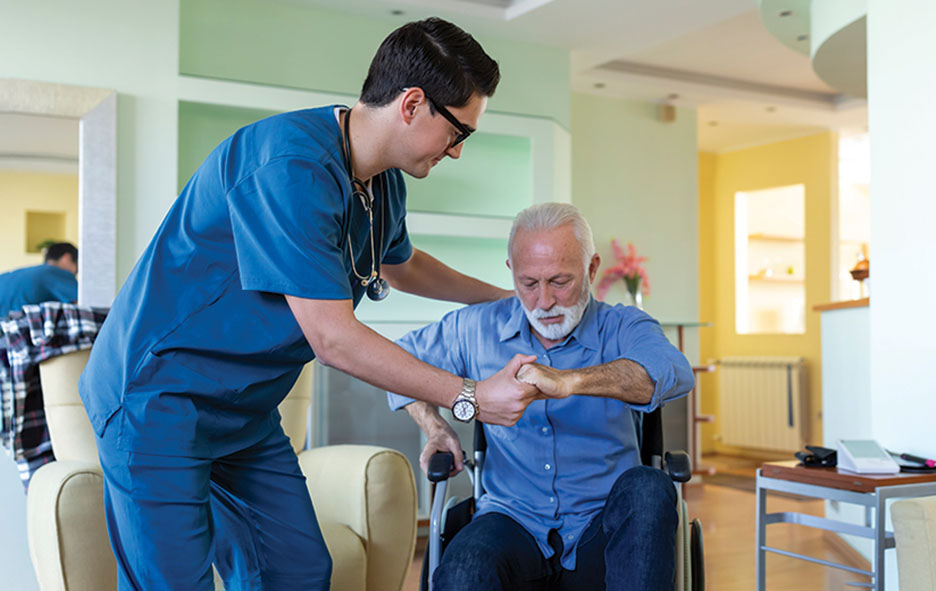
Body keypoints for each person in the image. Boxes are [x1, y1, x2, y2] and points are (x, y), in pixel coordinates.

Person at [78, 18, 546, 591]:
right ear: (413, 104)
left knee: (297, 571)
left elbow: (401, 265)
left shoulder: (383, 180)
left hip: (242, 411)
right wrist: (472, 398)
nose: (457, 151)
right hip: (156, 399)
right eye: (459, 133)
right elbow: (333, 338)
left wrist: (511, 298)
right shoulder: (291, 166)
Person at [387, 203, 695, 591]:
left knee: (650, 487)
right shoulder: (477, 326)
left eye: (560, 282)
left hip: (604, 527)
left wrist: (570, 381)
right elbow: (397, 365)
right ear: (511, 273)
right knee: (463, 568)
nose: (544, 301)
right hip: (509, 519)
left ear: (592, 268)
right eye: (529, 284)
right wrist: (434, 426)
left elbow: (674, 371)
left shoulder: (622, 326)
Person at [0, 242, 78, 317]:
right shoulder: (56, 272)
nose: (76, 273)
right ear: (67, 258)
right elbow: (82, 303)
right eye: (77, 268)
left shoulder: (31, 272)